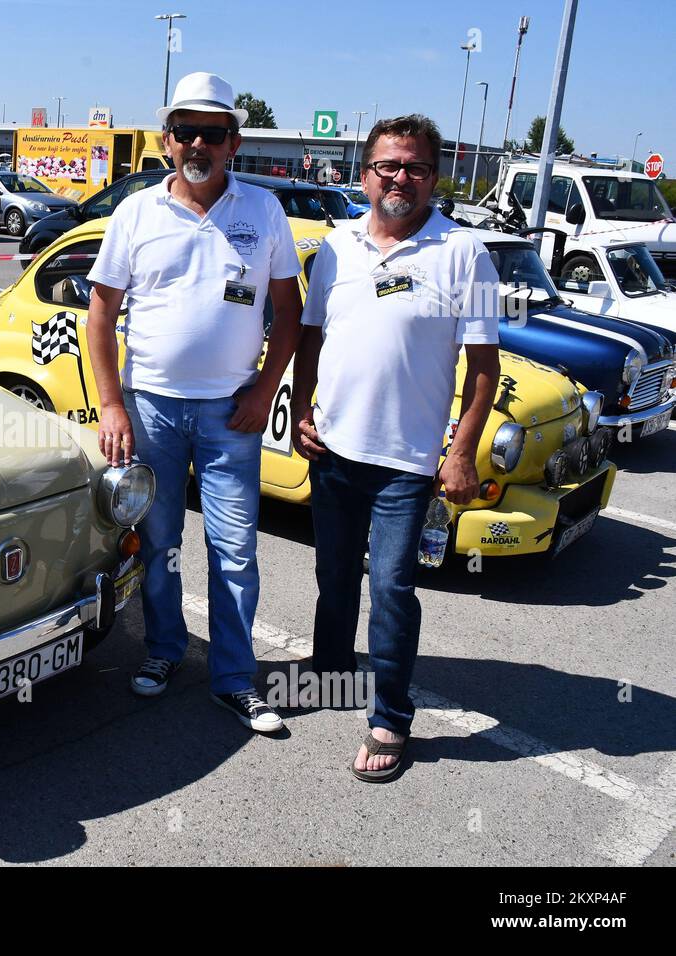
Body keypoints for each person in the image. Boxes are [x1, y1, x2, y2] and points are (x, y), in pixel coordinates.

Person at [86, 73, 303, 731]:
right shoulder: (135, 214)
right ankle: (163, 653)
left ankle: (235, 680)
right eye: (187, 131)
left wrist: (266, 390)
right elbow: (100, 316)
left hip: (230, 411)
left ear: (234, 142)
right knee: (160, 543)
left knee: (235, 549)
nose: (198, 143)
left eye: (213, 132)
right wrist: (112, 406)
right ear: (166, 140)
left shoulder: (263, 211)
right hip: (151, 409)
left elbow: (290, 313)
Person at [291, 114, 501, 781]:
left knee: (390, 589)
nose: (399, 178)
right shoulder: (336, 246)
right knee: (332, 579)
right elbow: (310, 339)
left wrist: (460, 452)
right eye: (387, 165)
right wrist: (300, 408)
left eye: (413, 167)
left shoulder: (464, 254)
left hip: (406, 465)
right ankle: (329, 673)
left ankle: (389, 717)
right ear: (365, 172)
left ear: (434, 178)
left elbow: (485, 368)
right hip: (334, 452)